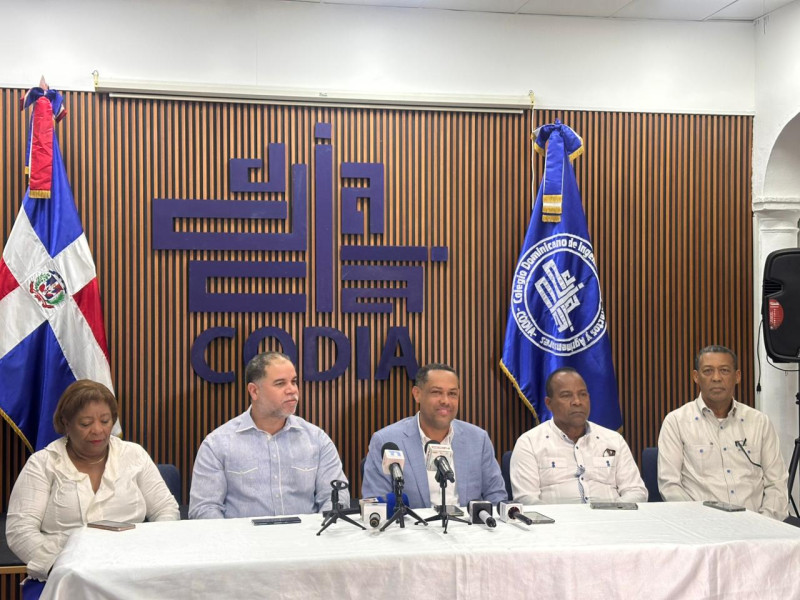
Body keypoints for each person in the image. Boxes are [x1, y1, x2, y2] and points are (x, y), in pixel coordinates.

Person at [6, 380, 179, 585]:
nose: (98, 430)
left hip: (134, 571)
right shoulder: (43, 463)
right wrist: (60, 567)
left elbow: (166, 509)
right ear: (66, 423)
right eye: (86, 423)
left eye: (105, 421)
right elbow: (20, 529)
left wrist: (149, 554)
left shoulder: (134, 455)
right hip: (64, 574)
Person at [189, 352, 349, 518]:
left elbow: (336, 497)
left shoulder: (317, 439)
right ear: (254, 391)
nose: (292, 390)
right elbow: (204, 508)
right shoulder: (217, 444)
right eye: (280, 384)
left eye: (294, 382)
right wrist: (231, 542)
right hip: (242, 541)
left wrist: (322, 535)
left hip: (305, 540)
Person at [658, 345, 788, 520]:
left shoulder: (759, 422)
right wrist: (698, 522)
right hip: (701, 530)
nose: (717, 378)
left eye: (725, 371)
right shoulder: (676, 422)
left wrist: (765, 522)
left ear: (737, 376)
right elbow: (670, 485)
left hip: (757, 527)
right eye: (708, 371)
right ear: (696, 377)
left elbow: (777, 483)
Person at [361, 363, 506, 509]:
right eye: (436, 392)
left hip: (470, 529)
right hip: (412, 530)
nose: (445, 401)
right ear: (417, 394)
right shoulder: (387, 440)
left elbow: (496, 496)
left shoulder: (478, 439)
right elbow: (376, 505)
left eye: (452, 394)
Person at [510, 367, 647, 505]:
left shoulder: (614, 440)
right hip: (557, 524)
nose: (577, 401)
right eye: (566, 395)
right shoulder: (529, 443)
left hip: (611, 522)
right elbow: (526, 499)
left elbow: (636, 491)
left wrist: (612, 515)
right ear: (549, 403)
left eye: (582, 394)